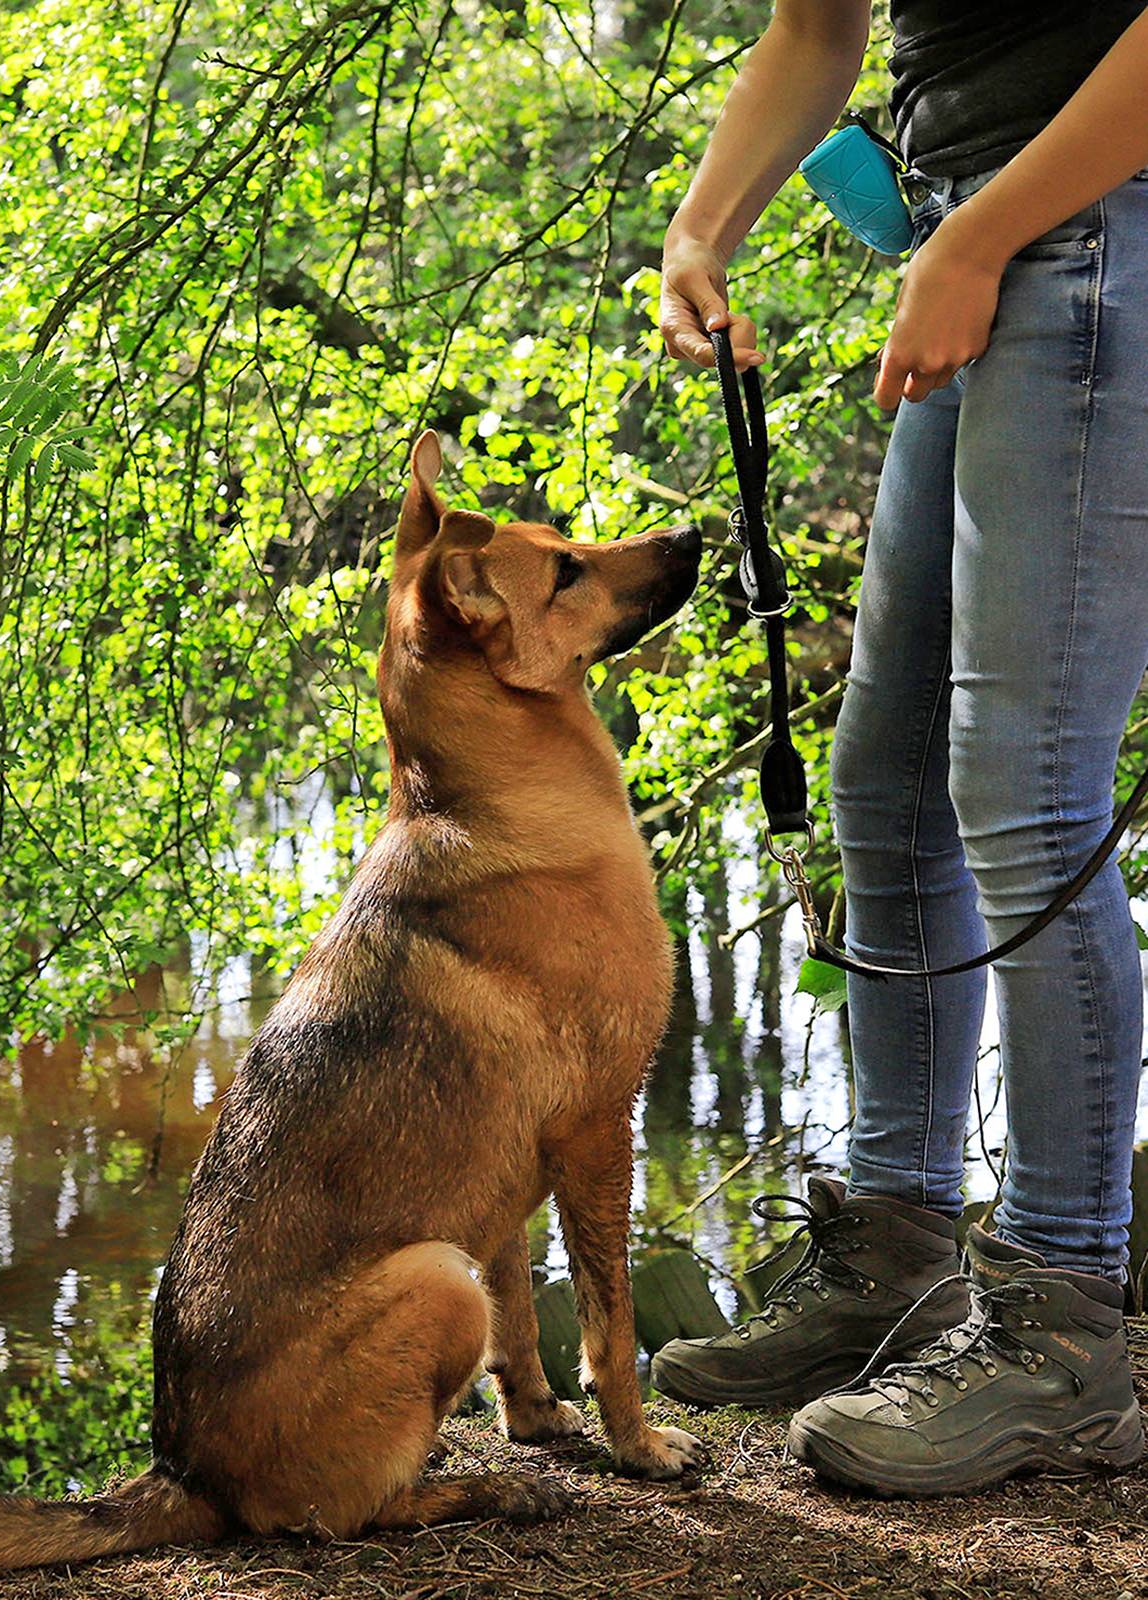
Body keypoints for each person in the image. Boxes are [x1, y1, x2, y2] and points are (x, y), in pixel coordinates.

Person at [649, 0, 1148, 1495]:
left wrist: (984, 237)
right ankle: (897, 1256)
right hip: (983, 233)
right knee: (886, 771)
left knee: (1024, 779)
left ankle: (1064, 1344)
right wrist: (700, 226)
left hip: (1098, 231)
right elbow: (818, 26)